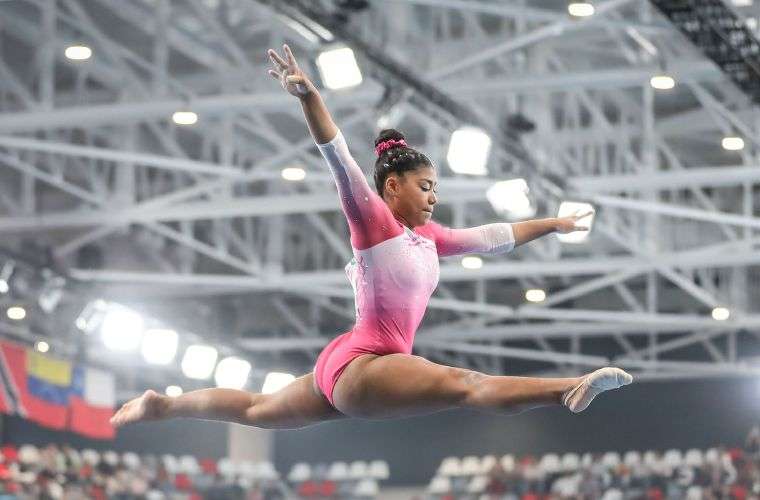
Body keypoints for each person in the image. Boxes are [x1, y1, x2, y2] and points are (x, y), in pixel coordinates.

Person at [110, 45, 632, 431]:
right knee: (463, 384)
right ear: (392, 186)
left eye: (436, 190)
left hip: (348, 363)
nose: (433, 198)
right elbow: (338, 158)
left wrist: (554, 224)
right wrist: (309, 97)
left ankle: (165, 405)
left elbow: (496, 235)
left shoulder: (431, 238)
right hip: (365, 365)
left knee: (255, 408)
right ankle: (567, 389)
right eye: (425, 187)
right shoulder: (374, 223)